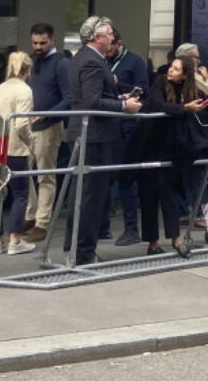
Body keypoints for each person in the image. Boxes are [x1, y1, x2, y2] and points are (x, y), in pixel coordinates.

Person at [64, 15, 141, 265]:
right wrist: (124, 105)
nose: (112, 38)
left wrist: (121, 96)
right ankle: (83, 252)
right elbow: (92, 101)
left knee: (83, 194)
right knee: (90, 196)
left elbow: (95, 95)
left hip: (89, 134)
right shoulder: (92, 62)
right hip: (94, 136)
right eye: (108, 34)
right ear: (97, 37)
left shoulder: (86, 59)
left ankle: (75, 247)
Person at [131, 55, 208, 257]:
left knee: (168, 191)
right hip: (149, 143)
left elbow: (200, 98)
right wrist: (184, 108)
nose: (170, 70)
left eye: (176, 69)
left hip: (171, 146)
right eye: (171, 67)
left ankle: (175, 238)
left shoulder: (188, 89)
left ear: (184, 75)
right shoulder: (159, 81)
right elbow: (158, 105)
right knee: (149, 193)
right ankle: (153, 242)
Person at [0, 52, 36, 256]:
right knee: (20, 194)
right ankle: (15, 240)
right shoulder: (25, 90)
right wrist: (31, 140)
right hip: (14, 147)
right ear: (28, 70)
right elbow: (20, 124)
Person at [24, 23, 73, 243]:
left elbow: (69, 97)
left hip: (49, 125)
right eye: (35, 43)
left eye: (43, 43)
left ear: (52, 40)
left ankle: (41, 221)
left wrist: (47, 114)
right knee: (23, 172)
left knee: (45, 174)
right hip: (29, 124)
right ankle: (30, 214)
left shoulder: (61, 64)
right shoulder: (33, 62)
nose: (38, 47)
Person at [108, 31, 150, 247]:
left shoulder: (135, 62)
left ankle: (131, 227)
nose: (107, 50)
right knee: (105, 176)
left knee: (126, 178)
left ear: (119, 44)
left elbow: (144, 89)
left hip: (127, 126)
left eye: (110, 46)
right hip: (108, 125)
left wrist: (122, 86)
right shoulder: (102, 61)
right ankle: (102, 226)